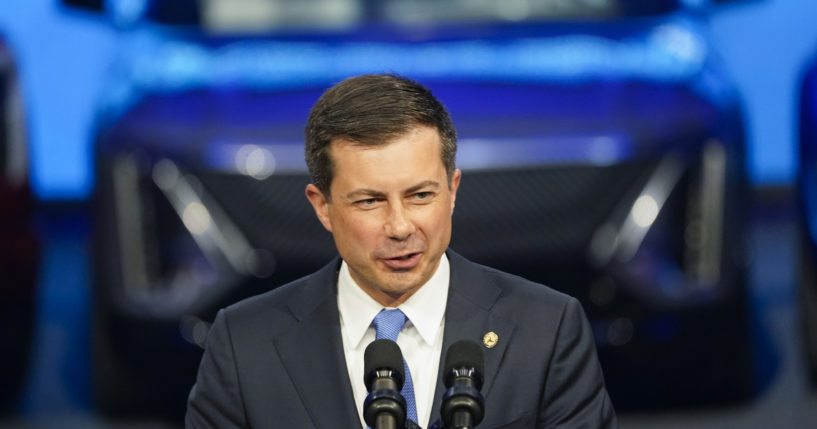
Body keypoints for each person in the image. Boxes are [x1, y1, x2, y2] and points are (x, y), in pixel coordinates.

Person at [185, 74, 618, 428]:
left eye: (420, 195)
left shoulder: (547, 329)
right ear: (323, 207)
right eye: (369, 201)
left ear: (453, 191)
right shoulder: (244, 345)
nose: (399, 227)